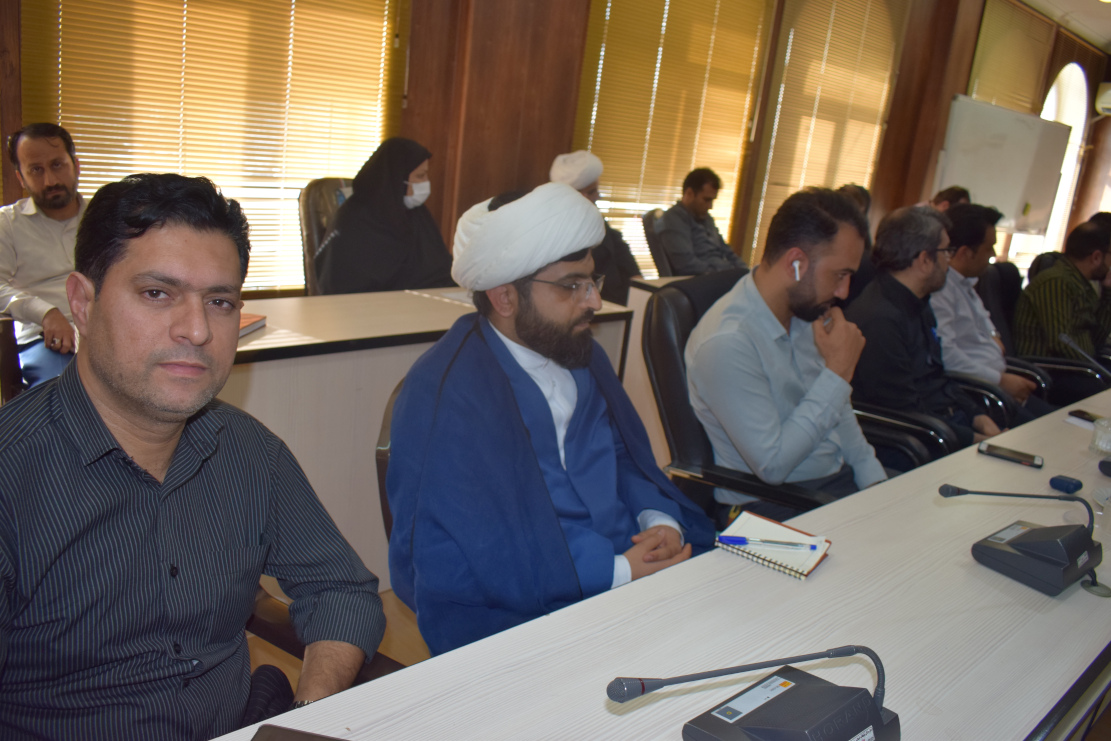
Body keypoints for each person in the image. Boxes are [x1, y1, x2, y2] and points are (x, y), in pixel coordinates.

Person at [0, 173, 386, 739]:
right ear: (81, 302)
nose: (198, 330)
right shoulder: (13, 476)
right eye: (157, 294)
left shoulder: (250, 452)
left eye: (219, 302)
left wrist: (307, 715)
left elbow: (340, 590)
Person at [387, 182, 715, 656]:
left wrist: (659, 520)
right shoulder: (447, 395)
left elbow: (623, 456)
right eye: (571, 286)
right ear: (504, 297)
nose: (594, 301)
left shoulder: (579, 353)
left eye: (593, 280)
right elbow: (476, 548)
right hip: (523, 613)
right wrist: (619, 570)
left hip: (631, 566)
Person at [686, 188, 885, 518]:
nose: (844, 292)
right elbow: (773, 466)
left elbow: (839, 415)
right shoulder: (728, 342)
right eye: (840, 275)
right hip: (771, 504)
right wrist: (838, 372)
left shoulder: (805, 313)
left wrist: (876, 484)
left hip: (833, 483)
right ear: (796, 263)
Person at [845, 206, 1001, 448]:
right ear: (925, 260)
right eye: (946, 251)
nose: (949, 261)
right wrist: (977, 441)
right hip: (920, 439)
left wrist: (978, 416)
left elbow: (938, 377)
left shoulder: (919, 302)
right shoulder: (880, 321)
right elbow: (905, 412)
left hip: (945, 424)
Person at [931, 203, 1053, 420]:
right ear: (965, 252)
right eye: (989, 248)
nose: (993, 254)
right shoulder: (941, 290)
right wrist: (999, 380)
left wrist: (994, 339)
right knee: (1052, 430)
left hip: (994, 383)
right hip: (977, 392)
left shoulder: (966, 283)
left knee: (1060, 422)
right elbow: (946, 356)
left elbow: (988, 325)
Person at [1, 123, 84, 386]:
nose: (50, 181)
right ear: (20, 178)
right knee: (64, 394)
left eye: (57, 165)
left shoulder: (104, 216)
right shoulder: (7, 224)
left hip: (108, 331)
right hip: (44, 340)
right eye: (36, 170)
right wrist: (46, 313)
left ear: (76, 165)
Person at [314, 137, 454, 294]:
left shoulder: (416, 212)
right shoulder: (355, 218)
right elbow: (343, 284)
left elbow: (439, 267)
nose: (426, 183)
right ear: (397, 177)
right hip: (374, 304)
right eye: (420, 176)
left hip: (427, 299)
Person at [1014, 221, 1111, 368]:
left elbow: (1096, 339)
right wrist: (1096, 370)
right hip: (1053, 370)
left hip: (1078, 368)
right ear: (1096, 257)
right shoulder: (1056, 282)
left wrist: (1108, 293)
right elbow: (1062, 343)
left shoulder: (1082, 284)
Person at [550, 150, 641, 304]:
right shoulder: (559, 229)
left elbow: (619, 246)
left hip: (623, 300)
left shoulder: (594, 217)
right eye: (593, 191)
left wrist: (640, 285)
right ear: (574, 195)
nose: (598, 196)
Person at [655, 167, 745, 275]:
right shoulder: (673, 219)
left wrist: (745, 272)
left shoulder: (706, 218)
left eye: (712, 200)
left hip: (721, 274)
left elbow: (727, 251)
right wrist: (724, 273)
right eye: (706, 200)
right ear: (689, 193)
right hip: (702, 278)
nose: (710, 206)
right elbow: (686, 265)